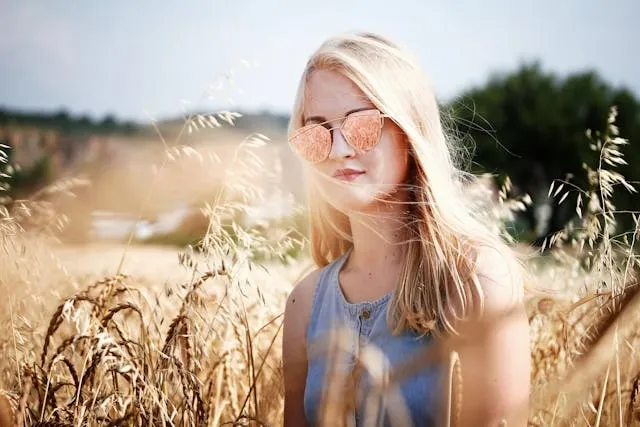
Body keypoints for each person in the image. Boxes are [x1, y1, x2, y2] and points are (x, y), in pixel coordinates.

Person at [282, 32, 531, 427]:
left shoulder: (476, 281)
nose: (339, 148)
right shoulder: (304, 303)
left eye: (362, 124)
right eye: (317, 133)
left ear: (409, 130)